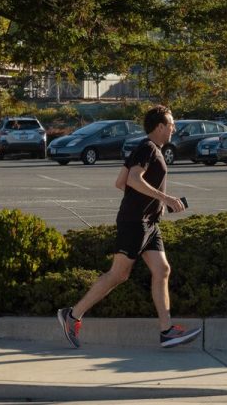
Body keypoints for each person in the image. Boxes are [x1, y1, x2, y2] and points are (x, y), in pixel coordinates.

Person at [57, 105, 201, 349]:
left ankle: (166, 331)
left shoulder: (144, 148)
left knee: (163, 270)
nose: (174, 128)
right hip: (135, 223)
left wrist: (150, 201)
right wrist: (163, 198)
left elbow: (120, 182)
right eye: (171, 124)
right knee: (118, 274)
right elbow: (133, 179)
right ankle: (72, 316)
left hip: (148, 224)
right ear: (160, 127)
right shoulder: (147, 148)